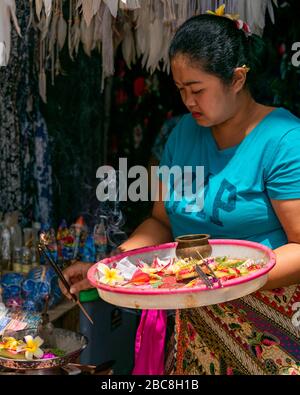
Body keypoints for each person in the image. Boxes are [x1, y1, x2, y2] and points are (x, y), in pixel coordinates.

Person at [60, 12, 300, 375]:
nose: (188, 101)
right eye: (181, 89)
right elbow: (161, 222)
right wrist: (113, 266)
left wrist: (229, 281)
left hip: (270, 330)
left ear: (237, 79)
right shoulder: (182, 135)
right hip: (196, 327)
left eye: (198, 89)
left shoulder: (283, 140)